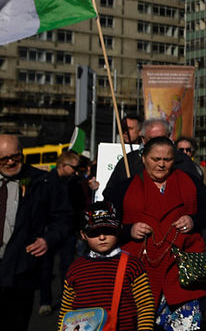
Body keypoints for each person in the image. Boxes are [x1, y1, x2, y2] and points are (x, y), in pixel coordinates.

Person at [114, 136, 206, 331]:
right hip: (141, 272)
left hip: (182, 272)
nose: (161, 165)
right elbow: (109, 224)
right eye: (156, 159)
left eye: (167, 159)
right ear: (144, 158)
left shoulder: (189, 181)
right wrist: (129, 229)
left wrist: (193, 220)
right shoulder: (124, 187)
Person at [0, 134, 73, 331]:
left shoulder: (42, 181)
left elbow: (64, 218)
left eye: (15, 156)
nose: (10, 162)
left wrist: (48, 239)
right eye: (4, 159)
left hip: (20, 271)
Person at [58, 201, 155, 331]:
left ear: (119, 229)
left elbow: (145, 305)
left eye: (108, 231)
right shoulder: (75, 268)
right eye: (94, 233)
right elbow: (66, 313)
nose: (102, 237)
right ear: (83, 235)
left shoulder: (132, 265)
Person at [39, 150, 86, 316]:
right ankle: (45, 301)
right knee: (46, 267)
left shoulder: (74, 182)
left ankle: (67, 302)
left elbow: (80, 205)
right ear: (63, 165)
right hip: (49, 230)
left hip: (68, 229)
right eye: (74, 167)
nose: (76, 171)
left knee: (67, 267)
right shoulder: (46, 181)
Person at [104, 119, 200, 198]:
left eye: (162, 139)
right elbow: (110, 195)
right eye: (152, 140)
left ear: (169, 137)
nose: (161, 164)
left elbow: (199, 196)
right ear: (143, 139)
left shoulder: (182, 160)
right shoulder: (129, 161)